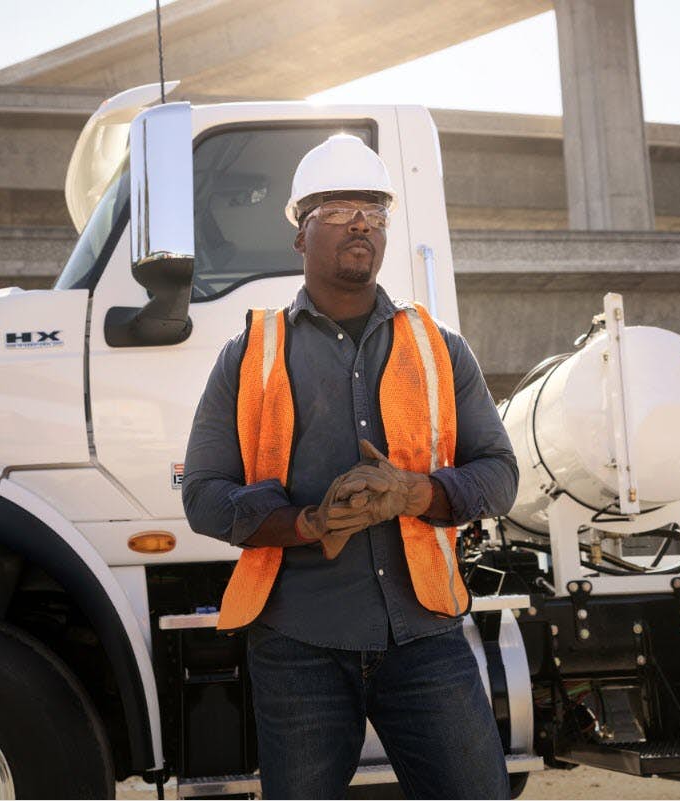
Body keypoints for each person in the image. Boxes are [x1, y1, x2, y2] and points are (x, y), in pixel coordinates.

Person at [182, 133, 518, 799]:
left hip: (426, 636)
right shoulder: (250, 352)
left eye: (373, 208)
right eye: (336, 209)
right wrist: (309, 520)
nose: (360, 221)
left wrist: (412, 492)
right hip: (298, 644)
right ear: (299, 235)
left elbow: (500, 473)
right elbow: (203, 494)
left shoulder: (440, 348)